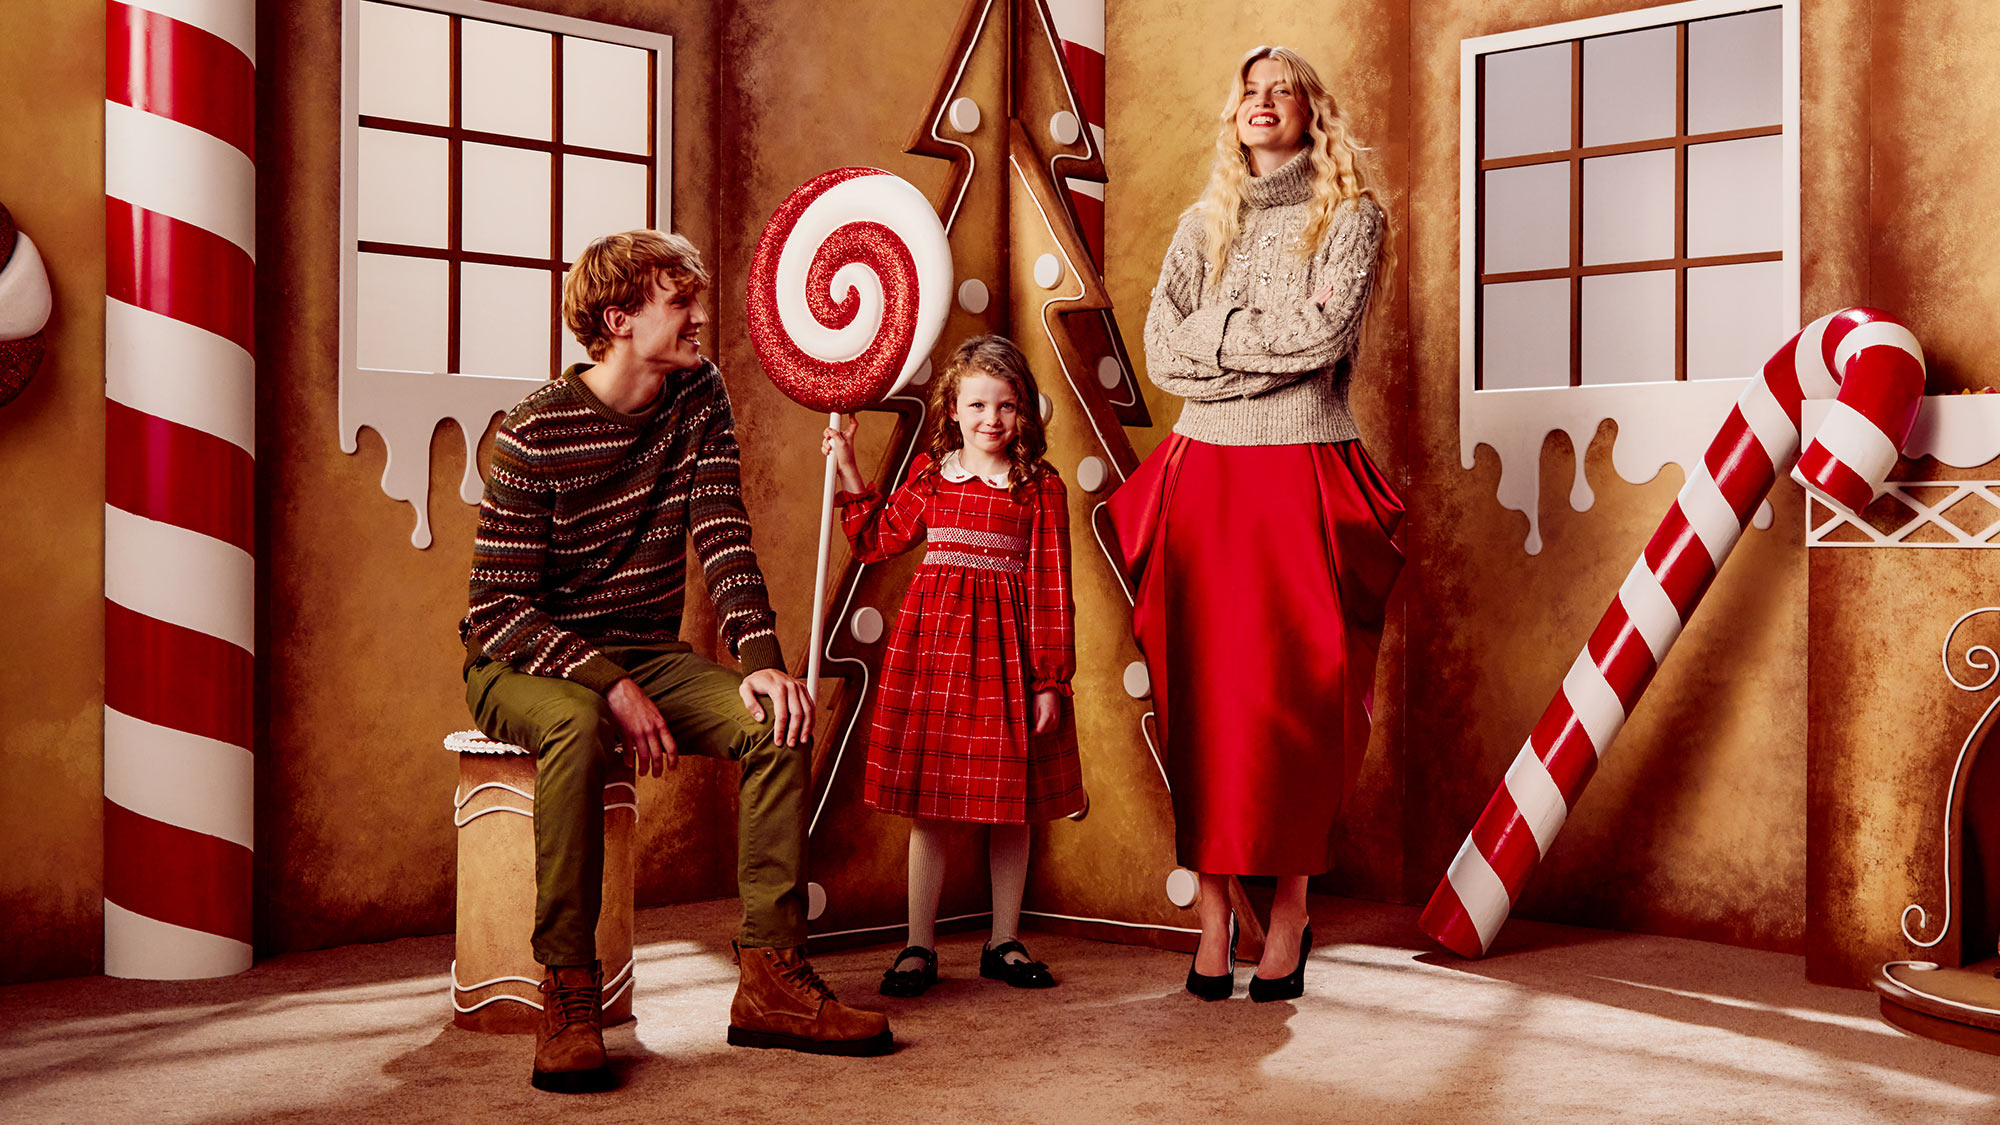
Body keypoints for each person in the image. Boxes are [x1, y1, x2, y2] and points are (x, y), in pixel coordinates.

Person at [460, 229, 892, 1093]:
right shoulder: (532, 432)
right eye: (679, 301)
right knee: (579, 727)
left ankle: (770, 976)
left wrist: (764, 659)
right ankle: (570, 991)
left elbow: (722, 530)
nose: (701, 316)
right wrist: (607, 682)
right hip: (526, 663)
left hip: (646, 652)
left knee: (779, 717)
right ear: (618, 318)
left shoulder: (698, 393)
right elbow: (497, 609)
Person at [1106, 46, 1405, 1003]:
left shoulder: (1352, 216)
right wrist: (1251, 341)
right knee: (1205, 697)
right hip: (1206, 479)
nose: (1264, 102)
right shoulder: (1203, 223)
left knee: (1294, 706)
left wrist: (1220, 334)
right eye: (1250, 91)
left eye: (1284, 91)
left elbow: (1324, 337)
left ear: (1312, 110)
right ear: (1233, 113)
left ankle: (1288, 916)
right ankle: (1209, 922)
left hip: (1300, 471)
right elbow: (1161, 353)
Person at [820, 335, 1083, 998]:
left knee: (1010, 808)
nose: (991, 418)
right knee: (931, 807)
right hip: (934, 653)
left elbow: (1052, 585)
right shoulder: (934, 477)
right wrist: (849, 465)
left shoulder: (1040, 488)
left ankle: (1004, 938)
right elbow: (877, 539)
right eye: (977, 404)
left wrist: (1049, 677)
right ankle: (919, 944)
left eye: (1006, 404)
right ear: (954, 410)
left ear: (1025, 412)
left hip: (1008, 661)